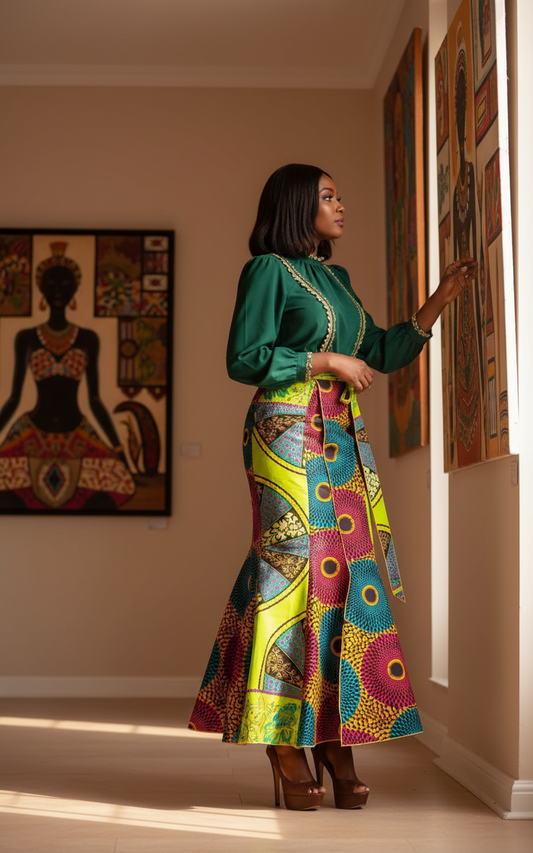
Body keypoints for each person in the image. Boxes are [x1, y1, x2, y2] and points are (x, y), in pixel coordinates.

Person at [189, 164, 476, 810]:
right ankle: (280, 739)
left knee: (346, 575)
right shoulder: (267, 270)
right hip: (284, 427)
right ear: (296, 206)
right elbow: (243, 357)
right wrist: (321, 360)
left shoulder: (334, 280)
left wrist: (436, 302)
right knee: (290, 568)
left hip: (339, 436)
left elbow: (376, 348)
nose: (340, 204)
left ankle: (330, 734)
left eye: (338, 195)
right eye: (327, 196)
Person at [0, 242, 135, 510]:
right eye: (51, 284)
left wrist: (119, 450)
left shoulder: (87, 339)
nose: (58, 290)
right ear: (41, 288)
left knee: (116, 490)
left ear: (75, 289)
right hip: (31, 434)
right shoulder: (26, 338)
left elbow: (95, 399)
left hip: (78, 435)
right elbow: (14, 398)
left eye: (65, 284)